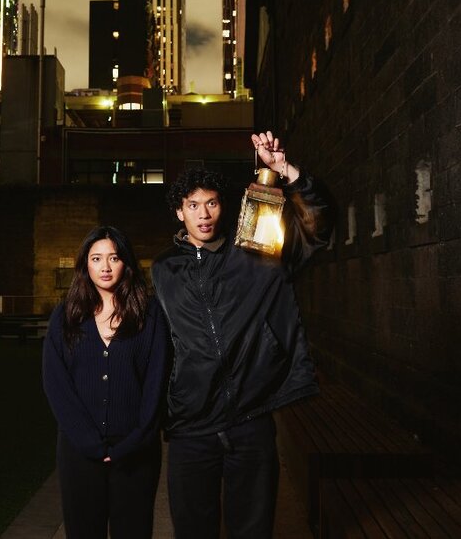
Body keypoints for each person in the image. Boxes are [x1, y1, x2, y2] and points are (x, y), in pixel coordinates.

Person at [151, 131, 335, 539]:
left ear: (223, 207)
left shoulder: (255, 251)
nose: (204, 214)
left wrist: (284, 171)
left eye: (211, 203)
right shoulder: (163, 271)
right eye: (193, 205)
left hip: (250, 420)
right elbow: (158, 344)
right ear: (179, 212)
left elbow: (318, 229)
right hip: (191, 428)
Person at [42, 225, 169, 539]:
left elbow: (156, 384)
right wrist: (89, 443)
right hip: (79, 453)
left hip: (136, 453)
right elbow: (56, 385)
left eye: (114, 258)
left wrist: (133, 442)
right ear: (85, 264)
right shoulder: (66, 316)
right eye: (96, 258)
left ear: (126, 262)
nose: (105, 267)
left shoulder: (149, 315)